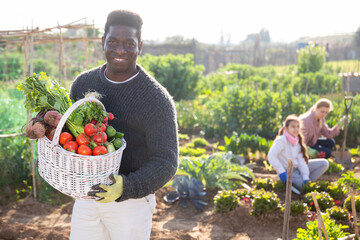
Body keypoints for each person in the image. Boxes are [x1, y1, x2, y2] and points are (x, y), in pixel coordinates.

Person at [69, 10, 179, 240]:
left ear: (140, 46)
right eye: (113, 42)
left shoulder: (156, 99)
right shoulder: (83, 83)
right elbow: (68, 134)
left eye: (129, 44)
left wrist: (126, 187)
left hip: (131, 204)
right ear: (103, 42)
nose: (120, 50)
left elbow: (166, 160)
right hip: (86, 197)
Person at [267, 114, 329, 191]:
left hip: (297, 168)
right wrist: (281, 172)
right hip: (288, 171)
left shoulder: (297, 140)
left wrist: (306, 177)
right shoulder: (281, 140)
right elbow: (271, 156)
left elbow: (301, 162)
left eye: (298, 126)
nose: (296, 129)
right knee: (303, 188)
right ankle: (300, 185)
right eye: (293, 127)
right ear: (286, 128)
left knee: (324, 163)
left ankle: (307, 182)